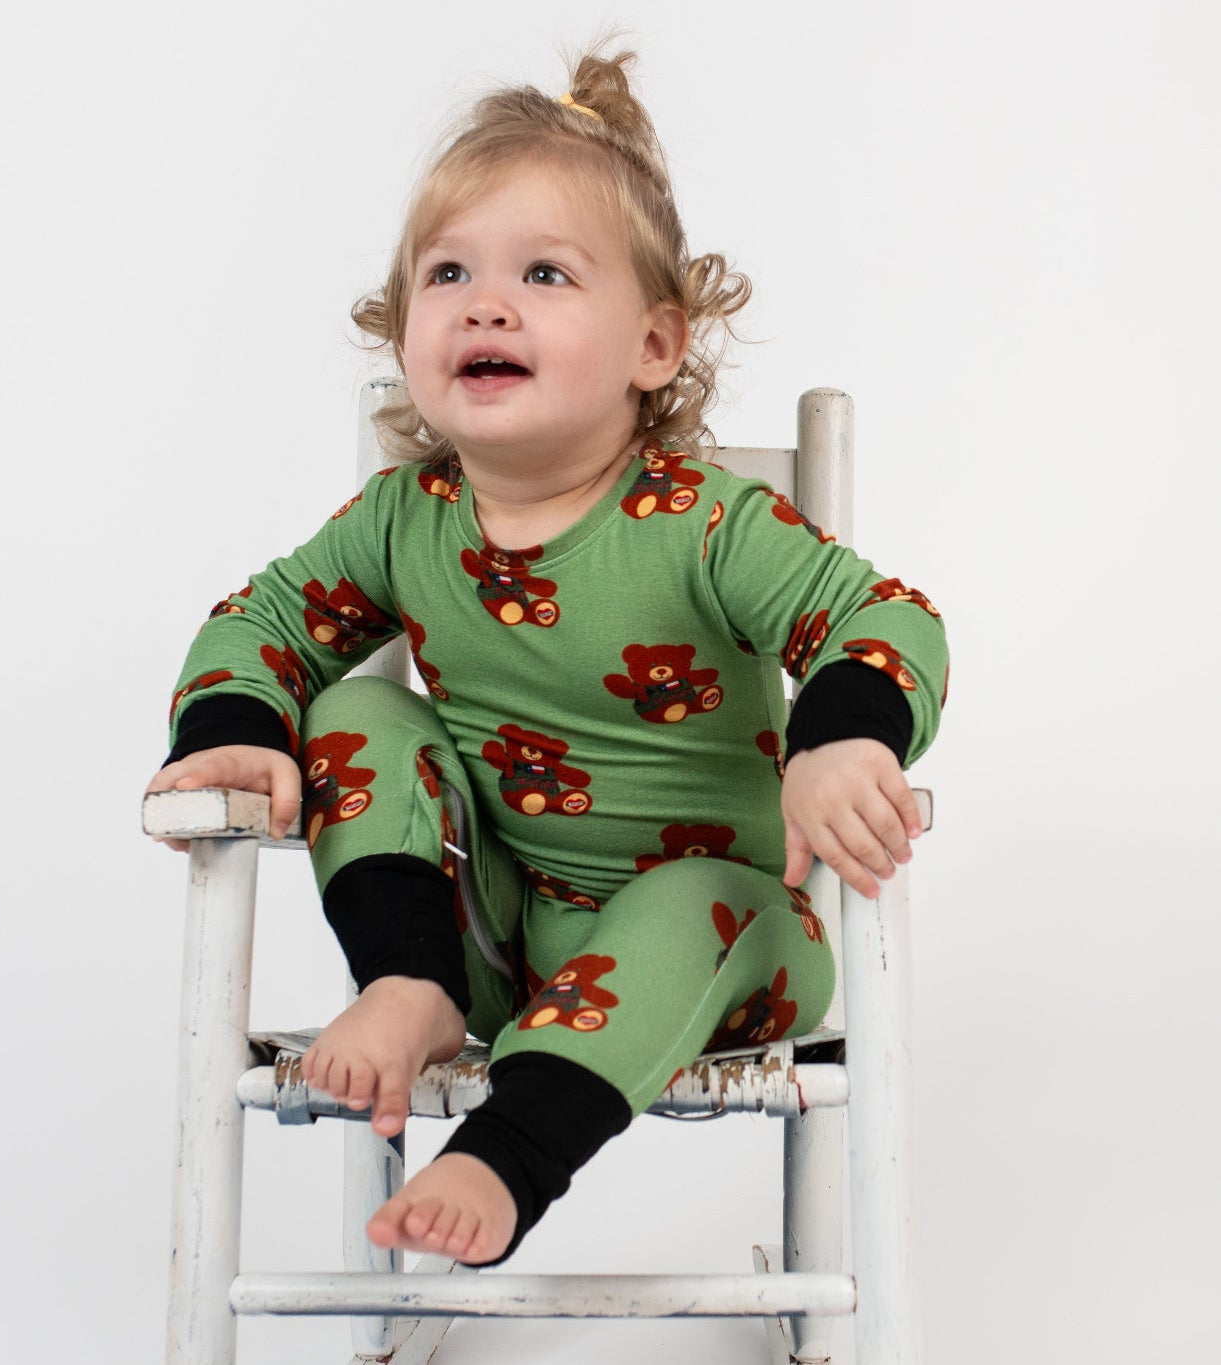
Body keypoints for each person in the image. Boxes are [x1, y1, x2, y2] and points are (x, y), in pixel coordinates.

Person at [146, 47, 948, 1268]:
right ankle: (406, 982)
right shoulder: (403, 520)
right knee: (356, 722)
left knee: (690, 898)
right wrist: (234, 733)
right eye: (448, 272)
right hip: (493, 932)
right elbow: (258, 621)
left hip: (727, 937)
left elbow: (886, 617)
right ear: (406, 324)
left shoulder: (707, 522)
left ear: (655, 346)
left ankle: (513, 1152)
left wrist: (842, 736)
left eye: (544, 275)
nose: (484, 302)